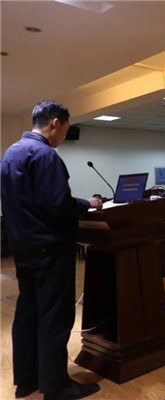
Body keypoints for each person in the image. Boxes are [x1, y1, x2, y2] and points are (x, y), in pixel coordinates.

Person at [0, 101, 102, 399]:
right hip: (50, 248)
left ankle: (27, 380)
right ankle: (56, 386)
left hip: (23, 248)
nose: (63, 137)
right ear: (55, 123)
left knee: (27, 314)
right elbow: (57, 204)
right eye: (66, 131)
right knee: (54, 316)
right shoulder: (45, 155)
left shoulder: (10, 153)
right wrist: (86, 204)